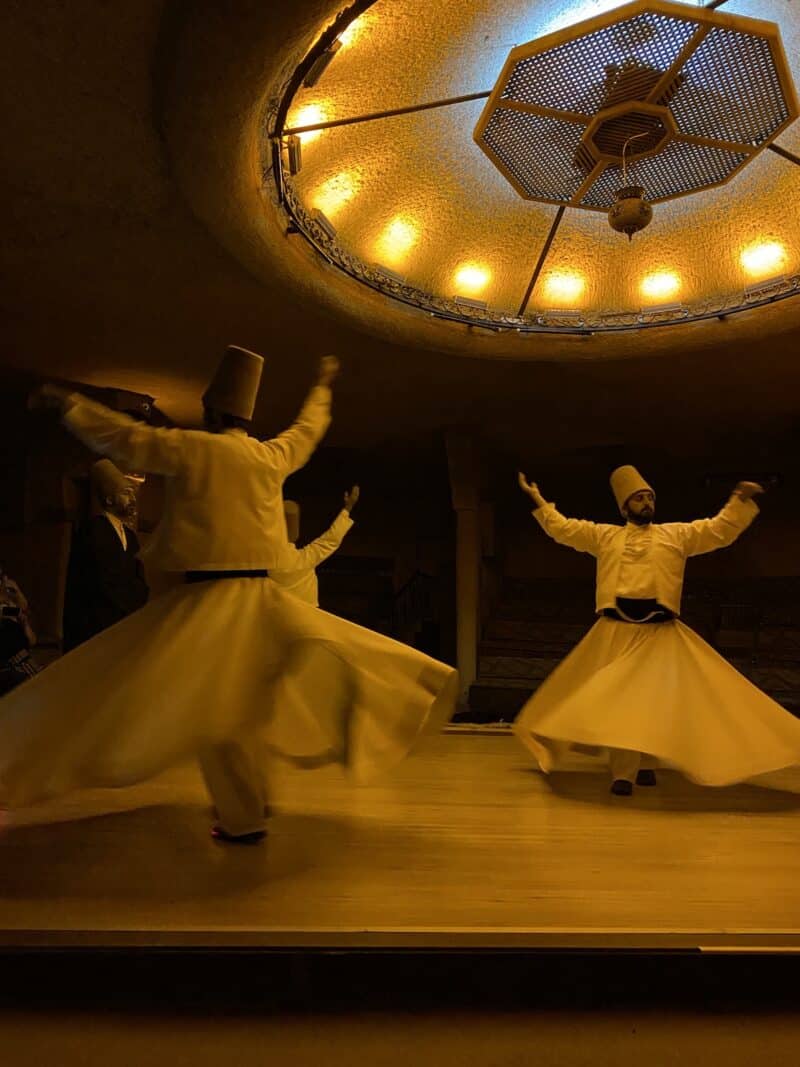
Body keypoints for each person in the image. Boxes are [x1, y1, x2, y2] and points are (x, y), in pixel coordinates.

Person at [0, 348, 457, 843]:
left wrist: (67, 402)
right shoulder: (269, 455)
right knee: (245, 706)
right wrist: (322, 386)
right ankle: (253, 803)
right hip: (259, 600)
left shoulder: (193, 449)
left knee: (161, 698)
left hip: (207, 605)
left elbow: (126, 439)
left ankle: (242, 813)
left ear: (213, 411)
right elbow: (307, 432)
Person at [513, 464, 800, 795]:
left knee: (652, 701)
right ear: (625, 506)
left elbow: (718, 530)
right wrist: (537, 499)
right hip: (617, 631)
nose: (646, 502)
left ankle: (646, 763)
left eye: (649, 497)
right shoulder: (605, 536)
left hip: (659, 632)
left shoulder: (675, 535)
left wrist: (739, 499)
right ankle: (623, 774)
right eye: (638, 498)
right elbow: (563, 529)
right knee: (622, 704)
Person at [62, 459, 149, 651]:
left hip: (127, 625)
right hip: (98, 628)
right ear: (109, 499)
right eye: (126, 494)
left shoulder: (131, 537)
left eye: (133, 493)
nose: (132, 499)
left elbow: (140, 579)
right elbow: (103, 583)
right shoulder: (92, 531)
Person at [269, 486, 359, 606]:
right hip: (306, 616)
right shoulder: (304, 559)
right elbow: (331, 539)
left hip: (277, 614)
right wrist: (348, 507)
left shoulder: (266, 563)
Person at [0, 568, 42, 696]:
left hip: (24, 666)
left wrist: (16, 592)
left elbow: (32, 640)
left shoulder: (12, 609)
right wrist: (18, 612)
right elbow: (8, 611)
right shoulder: (7, 611)